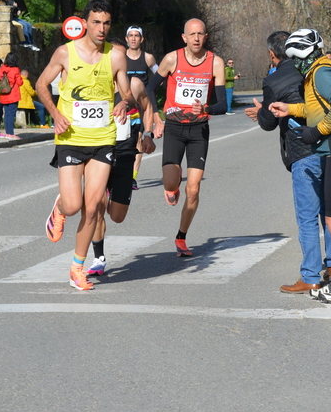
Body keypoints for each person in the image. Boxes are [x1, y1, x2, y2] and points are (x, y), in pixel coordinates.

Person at [37, 0, 135, 290]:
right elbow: (42, 84)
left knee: (92, 209)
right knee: (73, 204)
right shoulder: (65, 53)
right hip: (70, 139)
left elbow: (127, 93)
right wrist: (55, 114)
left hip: (103, 139)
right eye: (96, 22)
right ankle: (60, 208)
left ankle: (77, 268)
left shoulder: (116, 56)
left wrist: (123, 104)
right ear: (85, 23)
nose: (102, 28)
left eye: (106, 23)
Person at [269, 29, 331, 304]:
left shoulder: (322, 72)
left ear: (303, 53)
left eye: (294, 57)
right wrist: (290, 110)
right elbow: (316, 109)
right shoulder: (318, 72)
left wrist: (318, 132)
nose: (294, 63)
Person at [248, 30, 331, 294]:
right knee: (330, 213)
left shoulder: (274, 81)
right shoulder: (318, 69)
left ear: (272, 55)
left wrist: (261, 109)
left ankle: (310, 274)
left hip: (302, 152)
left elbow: (267, 123)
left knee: (307, 217)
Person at [149, 18, 228, 257]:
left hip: (198, 131)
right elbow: (151, 88)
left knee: (193, 191)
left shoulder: (216, 63)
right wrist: (156, 116)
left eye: (200, 34)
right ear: (184, 37)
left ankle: (181, 237)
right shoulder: (172, 59)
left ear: (206, 37)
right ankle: (172, 186)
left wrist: (206, 110)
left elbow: (223, 104)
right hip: (174, 127)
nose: (196, 38)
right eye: (191, 34)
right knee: (172, 182)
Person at [86, 72, 158, 277]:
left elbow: (148, 107)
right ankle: (98, 258)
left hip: (125, 155)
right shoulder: (94, 82)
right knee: (96, 206)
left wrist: (148, 135)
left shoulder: (134, 85)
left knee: (117, 216)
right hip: (99, 154)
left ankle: (109, 195)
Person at [125, 25, 158, 188]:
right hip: (124, 107)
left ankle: (132, 177)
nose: (133, 38)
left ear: (141, 39)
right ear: (126, 39)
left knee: (138, 140)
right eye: (130, 35)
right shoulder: (120, 57)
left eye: (136, 36)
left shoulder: (148, 58)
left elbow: (160, 75)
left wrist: (150, 90)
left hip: (142, 107)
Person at [0, 53, 24, 139]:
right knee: (11, 114)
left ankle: (7, 132)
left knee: (7, 114)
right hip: (13, 95)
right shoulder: (15, 69)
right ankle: (10, 133)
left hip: (4, 94)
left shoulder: (1, 69)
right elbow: (20, 82)